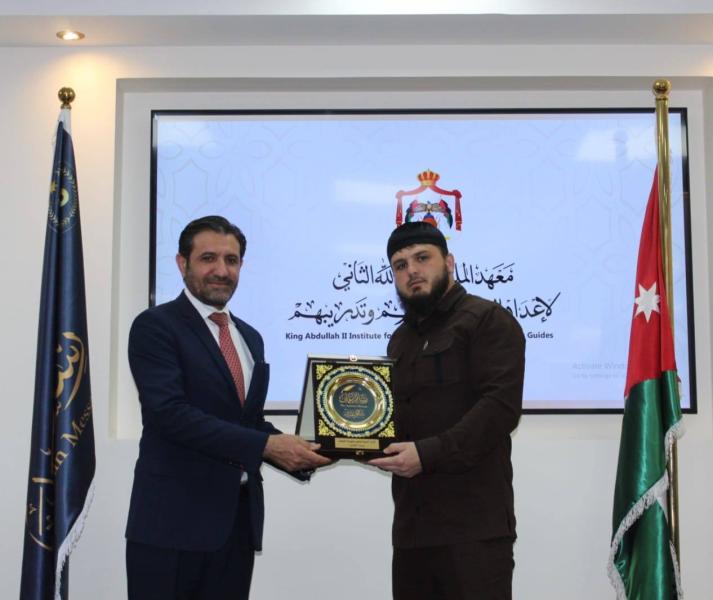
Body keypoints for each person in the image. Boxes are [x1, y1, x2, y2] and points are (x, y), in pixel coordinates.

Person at [125, 215, 329, 600]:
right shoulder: (155, 326)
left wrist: (307, 449)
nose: (222, 270)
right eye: (208, 258)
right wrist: (267, 447)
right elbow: (170, 415)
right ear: (182, 263)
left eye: (231, 260)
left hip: (235, 526)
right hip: (171, 526)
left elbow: (247, 422)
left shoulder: (249, 337)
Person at [369, 221, 526, 600]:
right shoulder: (400, 339)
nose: (412, 271)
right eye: (400, 265)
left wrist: (427, 454)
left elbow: (499, 409)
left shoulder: (488, 320)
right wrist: (343, 442)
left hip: (473, 530)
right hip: (412, 530)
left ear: (450, 262)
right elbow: (393, 421)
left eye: (422, 258)